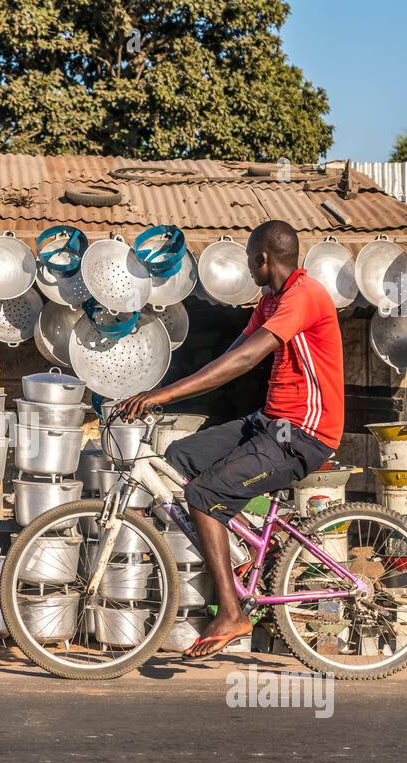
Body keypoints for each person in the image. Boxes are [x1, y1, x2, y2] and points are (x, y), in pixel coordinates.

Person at [117, 220, 344, 659]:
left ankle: (232, 612)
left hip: (303, 433)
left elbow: (245, 358)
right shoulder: (271, 299)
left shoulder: (304, 296)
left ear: (263, 258)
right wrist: (167, 389)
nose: (246, 264)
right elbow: (229, 354)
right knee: (179, 457)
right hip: (271, 421)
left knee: (204, 495)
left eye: (247, 257)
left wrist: (160, 395)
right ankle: (239, 547)